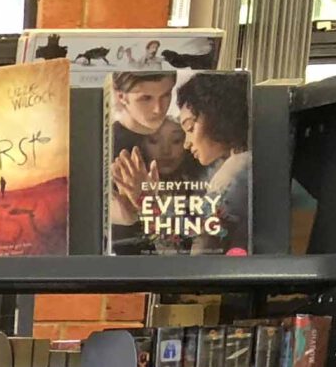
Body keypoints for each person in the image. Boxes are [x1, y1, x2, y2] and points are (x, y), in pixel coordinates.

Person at [171, 71, 252, 254]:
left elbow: (201, 262)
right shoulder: (240, 165)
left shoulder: (229, 177)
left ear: (216, 115)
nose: (186, 143)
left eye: (190, 128)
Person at [108, 69, 177, 247]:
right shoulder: (107, 145)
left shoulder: (187, 136)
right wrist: (131, 208)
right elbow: (120, 214)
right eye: (146, 98)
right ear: (122, 96)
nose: (158, 109)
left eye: (166, 95)